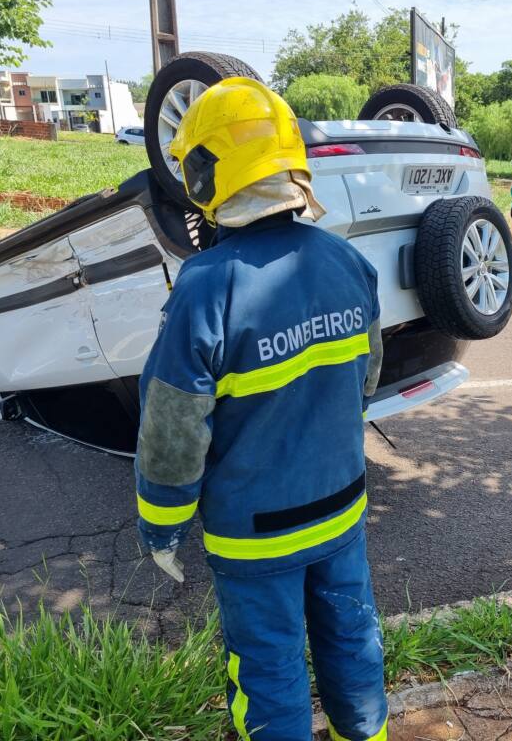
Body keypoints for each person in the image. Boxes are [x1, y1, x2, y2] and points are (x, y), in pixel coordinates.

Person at [134, 77, 388, 741]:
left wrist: (162, 527)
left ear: (203, 172)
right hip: (343, 509)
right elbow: (366, 379)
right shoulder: (347, 263)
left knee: (268, 668)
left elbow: (171, 430)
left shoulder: (204, 288)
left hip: (255, 533)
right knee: (352, 639)